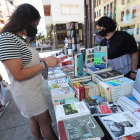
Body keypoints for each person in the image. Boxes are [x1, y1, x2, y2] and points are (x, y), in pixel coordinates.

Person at [0, 4, 59, 140]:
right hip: (27, 93)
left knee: (34, 119)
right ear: (25, 20)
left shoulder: (18, 38)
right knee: (46, 122)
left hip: (32, 89)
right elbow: (18, 74)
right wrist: (44, 64)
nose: (36, 28)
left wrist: (43, 60)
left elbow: (25, 61)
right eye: (35, 24)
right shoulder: (7, 39)